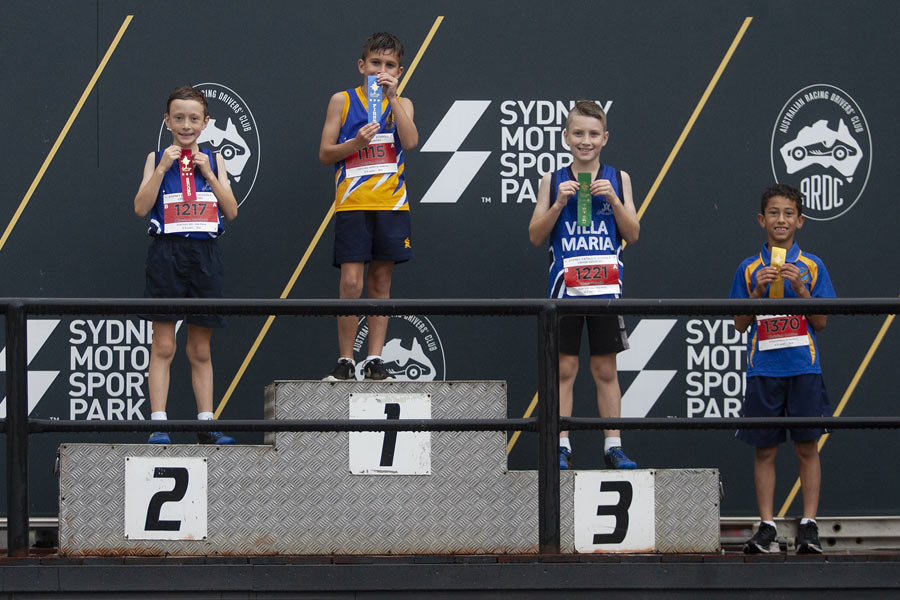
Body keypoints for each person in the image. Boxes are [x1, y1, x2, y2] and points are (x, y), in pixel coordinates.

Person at [528, 101, 639, 470]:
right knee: (565, 370)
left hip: (606, 290)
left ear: (605, 138)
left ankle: (613, 445)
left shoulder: (619, 178)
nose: (585, 141)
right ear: (566, 137)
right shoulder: (552, 180)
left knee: (605, 371)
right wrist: (558, 204)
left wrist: (614, 201)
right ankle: (561, 444)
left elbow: (633, 234)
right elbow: (534, 235)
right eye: (578, 133)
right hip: (565, 292)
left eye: (593, 134)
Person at [731, 183, 835, 554]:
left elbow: (821, 321)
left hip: (803, 368)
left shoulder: (812, 265)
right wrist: (756, 293)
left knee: (807, 447)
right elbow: (740, 323)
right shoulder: (748, 268)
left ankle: (809, 524)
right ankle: (767, 525)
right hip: (764, 370)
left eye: (788, 214)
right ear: (762, 220)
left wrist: (802, 290)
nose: (781, 220)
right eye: (773, 213)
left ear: (800, 221)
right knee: (765, 450)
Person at [134, 85, 239, 445]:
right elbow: (140, 206)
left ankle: (206, 424)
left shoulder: (215, 158)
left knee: (200, 349)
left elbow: (231, 210)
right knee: (163, 346)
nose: (186, 124)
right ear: (167, 120)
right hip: (167, 253)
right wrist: (162, 167)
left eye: (194, 118)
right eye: (178, 118)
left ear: (206, 122)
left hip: (205, 255)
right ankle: (159, 424)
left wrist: (209, 174)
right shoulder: (155, 157)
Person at [319, 32, 418, 381]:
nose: (381, 70)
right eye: (375, 63)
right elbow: (324, 153)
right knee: (350, 282)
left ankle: (374, 359)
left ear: (400, 71)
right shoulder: (342, 100)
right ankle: (346, 359)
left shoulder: (401, 104)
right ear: (362, 66)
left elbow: (410, 141)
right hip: (353, 204)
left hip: (391, 204)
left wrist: (392, 98)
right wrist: (355, 143)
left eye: (389, 65)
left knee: (381, 283)